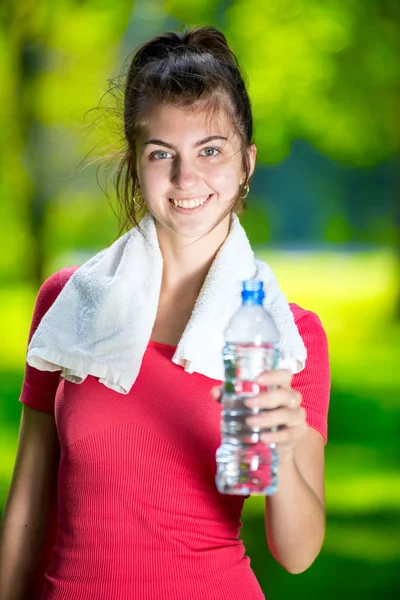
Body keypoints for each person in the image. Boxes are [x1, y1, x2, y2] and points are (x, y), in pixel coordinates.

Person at [0, 25, 330, 600]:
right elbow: (28, 505)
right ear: (134, 164)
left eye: (210, 150)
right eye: (161, 154)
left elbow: (297, 556)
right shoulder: (69, 302)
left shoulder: (288, 337)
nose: (186, 178)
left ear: (246, 163)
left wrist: (284, 441)